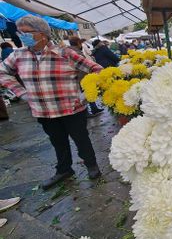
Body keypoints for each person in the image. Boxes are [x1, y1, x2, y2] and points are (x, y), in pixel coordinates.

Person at [0, 15, 103, 190]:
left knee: (81, 139)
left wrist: (86, 95)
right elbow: (2, 73)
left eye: (26, 32)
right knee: (58, 142)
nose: (21, 35)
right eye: (20, 32)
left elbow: (97, 70)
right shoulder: (18, 55)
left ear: (42, 34)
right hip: (43, 111)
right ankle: (64, 170)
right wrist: (22, 93)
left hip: (72, 109)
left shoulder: (65, 53)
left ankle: (92, 165)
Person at [68, 36, 104, 117]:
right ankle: (86, 112)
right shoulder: (75, 52)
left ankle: (94, 108)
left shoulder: (69, 51)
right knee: (84, 94)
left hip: (79, 77)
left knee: (87, 93)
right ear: (78, 43)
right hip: (81, 77)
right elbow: (83, 66)